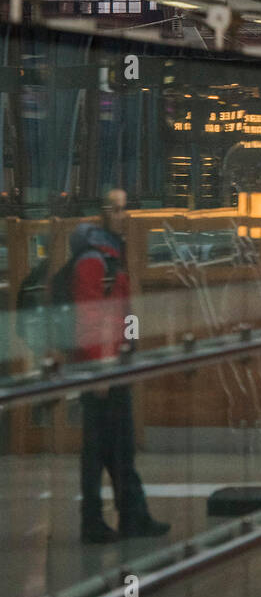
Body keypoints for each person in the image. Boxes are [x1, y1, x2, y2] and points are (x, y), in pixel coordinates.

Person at [74, 189, 170, 545]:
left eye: (124, 208)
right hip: (102, 370)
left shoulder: (113, 255)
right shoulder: (94, 260)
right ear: (101, 214)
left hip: (116, 365)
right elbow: (89, 316)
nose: (122, 215)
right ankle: (101, 519)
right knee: (101, 450)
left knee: (115, 447)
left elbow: (123, 312)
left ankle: (130, 515)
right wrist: (101, 365)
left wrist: (131, 348)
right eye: (115, 209)